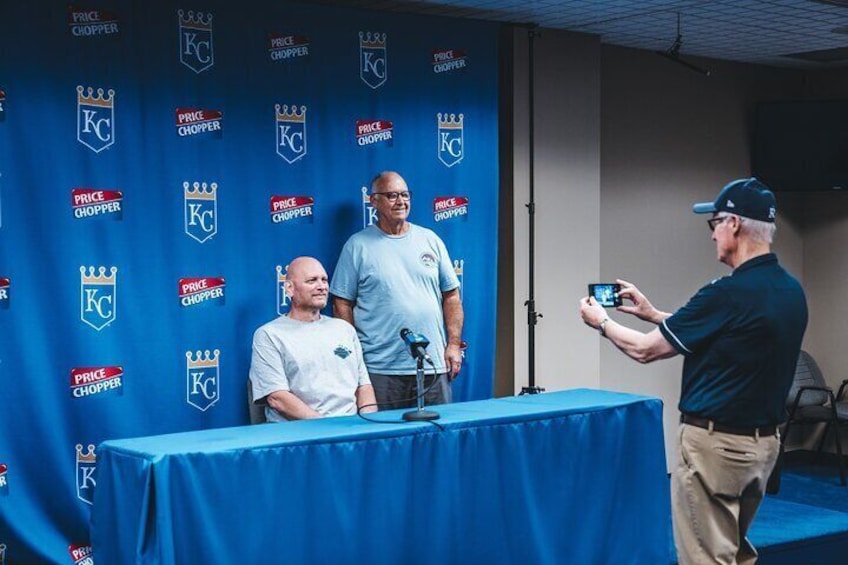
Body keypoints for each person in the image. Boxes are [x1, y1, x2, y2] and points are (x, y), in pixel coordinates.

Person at [579, 178, 807, 565]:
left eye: (714, 223)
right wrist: (654, 315)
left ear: (733, 224)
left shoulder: (726, 294)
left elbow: (646, 350)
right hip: (763, 447)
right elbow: (733, 334)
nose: (712, 234)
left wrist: (601, 322)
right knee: (736, 552)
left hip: (715, 450)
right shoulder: (789, 291)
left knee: (706, 557)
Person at [331, 171, 464, 409]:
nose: (401, 201)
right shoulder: (357, 246)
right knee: (384, 438)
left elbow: (451, 295)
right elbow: (342, 303)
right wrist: (355, 356)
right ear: (374, 201)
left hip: (432, 364)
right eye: (392, 195)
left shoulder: (430, 240)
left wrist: (453, 344)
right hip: (380, 368)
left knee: (437, 437)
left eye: (405, 194)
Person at [250, 256, 376, 421]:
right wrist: (327, 429)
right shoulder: (269, 335)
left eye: (324, 280)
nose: (322, 286)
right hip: (301, 435)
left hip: (351, 431)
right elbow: (277, 398)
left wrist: (370, 426)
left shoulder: (345, 329)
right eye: (312, 281)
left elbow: (364, 386)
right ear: (289, 289)